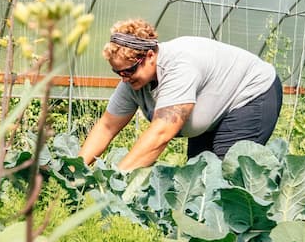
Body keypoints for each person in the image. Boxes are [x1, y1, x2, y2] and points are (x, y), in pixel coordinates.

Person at [79, 19, 283, 171]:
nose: (124, 78)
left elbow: (161, 134)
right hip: (217, 105)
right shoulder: (131, 81)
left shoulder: (180, 67)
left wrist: (117, 180)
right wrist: (74, 171)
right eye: (118, 72)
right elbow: (106, 127)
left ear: (150, 56)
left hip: (251, 94)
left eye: (129, 71)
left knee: (226, 177)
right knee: (198, 175)